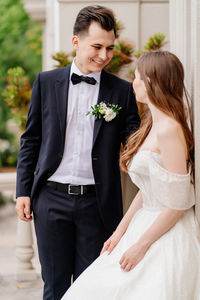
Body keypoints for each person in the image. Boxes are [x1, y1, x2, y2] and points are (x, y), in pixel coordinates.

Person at [15, 5, 140, 300]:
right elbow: (30, 139)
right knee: (55, 286)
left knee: (91, 288)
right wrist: (23, 191)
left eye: (110, 48)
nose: (104, 55)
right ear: (76, 42)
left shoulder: (122, 92)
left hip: (97, 204)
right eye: (96, 46)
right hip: (50, 199)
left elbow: (135, 141)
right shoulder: (46, 83)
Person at [61, 51, 200, 300]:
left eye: (137, 77)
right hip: (141, 225)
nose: (133, 82)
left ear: (152, 82)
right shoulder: (150, 125)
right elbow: (148, 191)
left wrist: (141, 246)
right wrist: (118, 233)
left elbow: (177, 203)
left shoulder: (170, 130)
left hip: (164, 232)